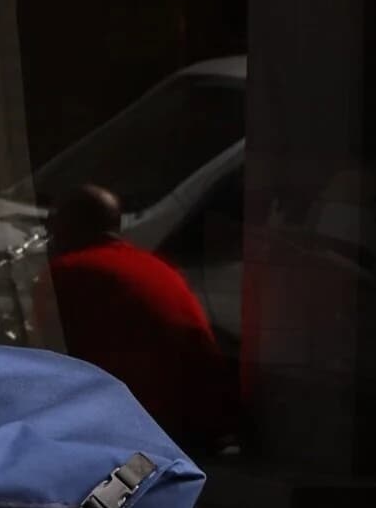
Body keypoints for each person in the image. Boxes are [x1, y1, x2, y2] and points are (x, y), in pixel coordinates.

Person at [42, 183, 237, 451]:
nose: (47, 230)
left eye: (53, 221)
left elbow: (53, 364)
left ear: (68, 225)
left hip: (156, 427)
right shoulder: (155, 266)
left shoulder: (66, 273)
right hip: (207, 417)